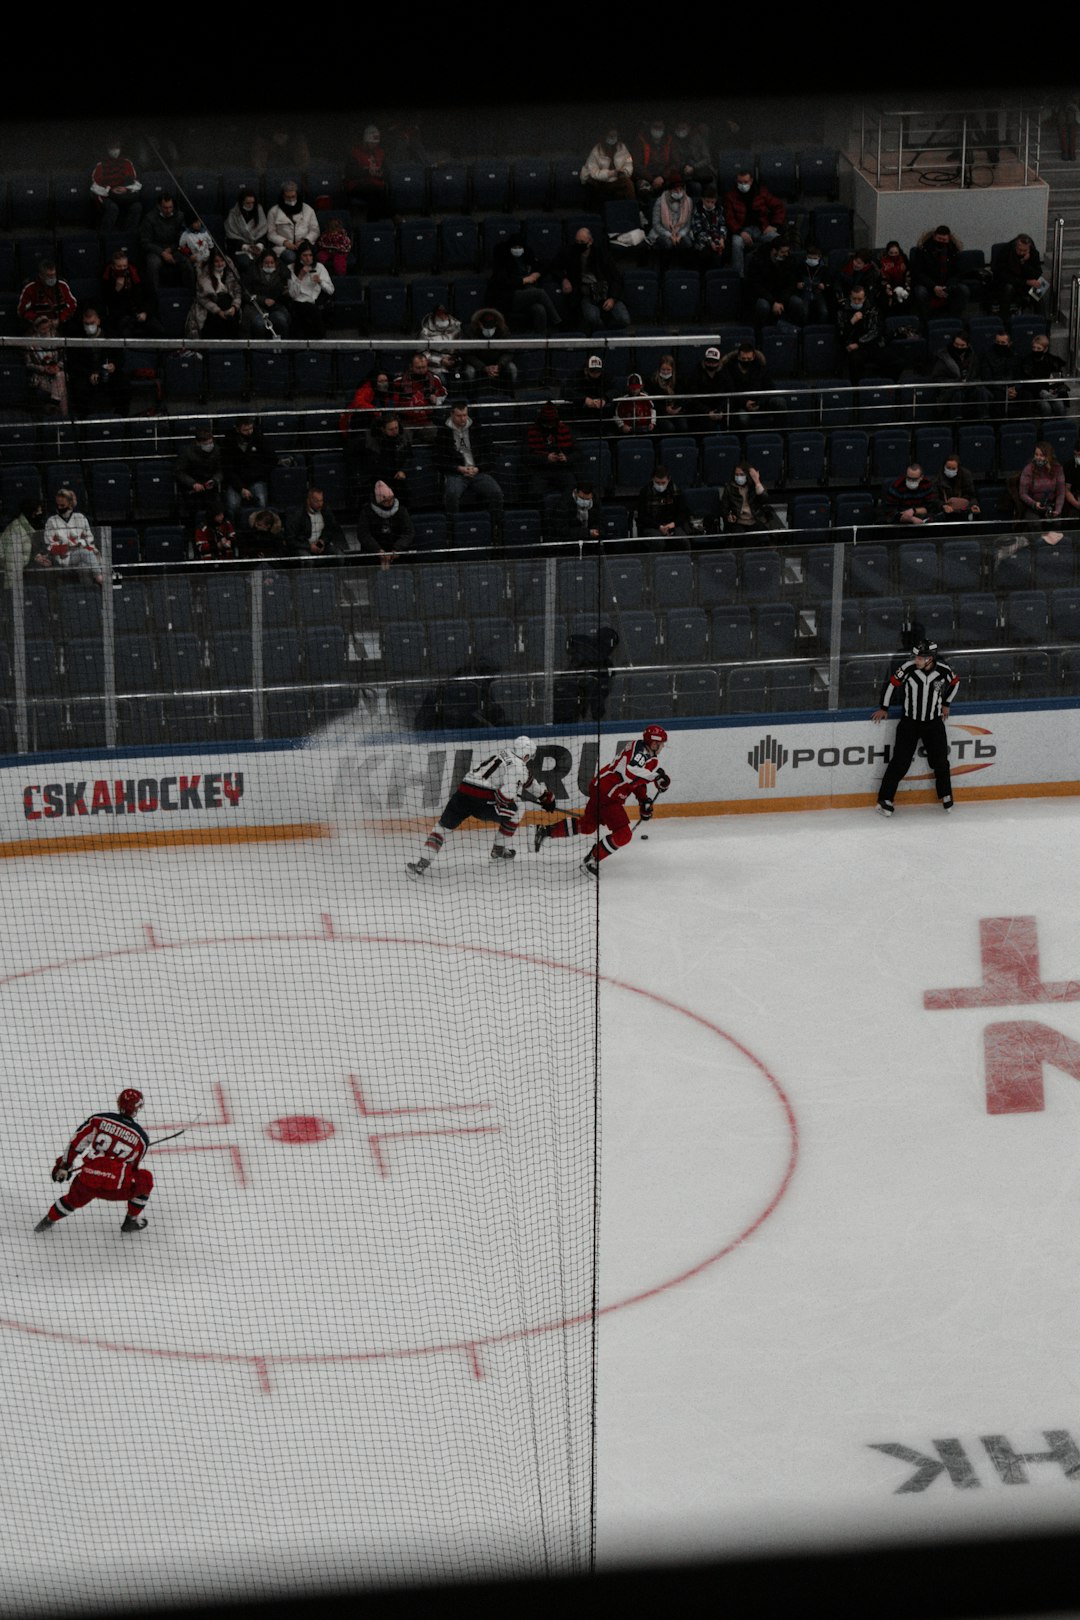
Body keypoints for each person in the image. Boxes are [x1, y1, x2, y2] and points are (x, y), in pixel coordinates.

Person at [534, 724, 670, 878]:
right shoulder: (638, 752)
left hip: (602, 789)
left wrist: (643, 799)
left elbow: (638, 782)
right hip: (608, 794)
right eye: (661, 744)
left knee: (587, 825)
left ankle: (545, 831)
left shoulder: (648, 756)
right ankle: (591, 860)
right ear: (653, 743)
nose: (663, 747)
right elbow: (630, 771)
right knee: (624, 834)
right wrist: (655, 777)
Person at [406, 736, 555, 876]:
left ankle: (422, 863)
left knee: (443, 827)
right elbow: (505, 796)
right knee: (519, 808)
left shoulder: (504, 753)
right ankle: (498, 850)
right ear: (527, 756)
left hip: (463, 790)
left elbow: (528, 782)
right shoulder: (519, 767)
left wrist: (543, 796)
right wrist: (539, 799)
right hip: (482, 800)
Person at [35, 1088, 153, 1235]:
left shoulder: (98, 1120)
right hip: (115, 1188)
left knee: (72, 1200)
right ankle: (131, 1220)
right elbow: (133, 1167)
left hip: (87, 1181)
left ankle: (45, 1224)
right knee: (145, 1179)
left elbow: (76, 1144)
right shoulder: (142, 1138)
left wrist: (64, 1166)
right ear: (138, 1108)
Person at [873, 641, 959, 816]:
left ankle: (946, 795)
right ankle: (884, 799)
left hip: (933, 723)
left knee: (941, 761)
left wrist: (946, 703)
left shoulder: (944, 670)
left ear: (930, 659)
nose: (916, 660)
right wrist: (884, 708)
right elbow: (891, 685)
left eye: (920, 658)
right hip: (909, 723)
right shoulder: (908, 668)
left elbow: (956, 683)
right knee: (900, 761)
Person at [436, 399, 504, 534]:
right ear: (452, 414)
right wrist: (458, 468)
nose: (462, 419)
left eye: (465, 415)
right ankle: (453, 530)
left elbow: (490, 453)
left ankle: (496, 528)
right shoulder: (443, 432)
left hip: (478, 471)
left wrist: (478, 468)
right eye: (459, 416)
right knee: (451, 494)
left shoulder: (478, 429)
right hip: (456, 473)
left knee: (496, 493)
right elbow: (439, 459)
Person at [554, 227, 630, 332]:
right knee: (592, 319)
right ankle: (602, 335)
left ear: (590, 242)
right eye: (577, 242)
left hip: (606, 292)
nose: (579, 244)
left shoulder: (602, 254)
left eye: (582, 242)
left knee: (624, 319)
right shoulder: (570, 252)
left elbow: (616, 278)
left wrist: (613, 298)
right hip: (586, 293)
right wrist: (564, 279)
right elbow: (555, 266)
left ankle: (610, 333)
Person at [485, 234, 561, 335]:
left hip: (526, 294)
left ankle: (541, 340)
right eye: (515, 247)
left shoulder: (527, 257)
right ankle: (558, 322)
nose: (517, 249)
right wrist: (524, 280)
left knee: (539, 309)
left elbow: (544, 265)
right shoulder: (503, 262)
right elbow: (504, 282)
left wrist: (537, 274)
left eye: (519, 247)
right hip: (509, 296)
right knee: (540, 293)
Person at [67, 306, 131, 418]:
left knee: (123, 383)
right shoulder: (77, 339)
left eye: (92, 323)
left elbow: (119, 356)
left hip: (108, 373)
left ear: (98, 321)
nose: (89, 326)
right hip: (87, 374)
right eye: (86, 324)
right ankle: (84, 421)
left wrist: (114, 365)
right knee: (78, 386)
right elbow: (75, 362)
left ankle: (121, 418)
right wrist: (89, 373)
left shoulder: (110, 336)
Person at [723, 168, 786, 275]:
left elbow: (779, 206)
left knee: (778, 240)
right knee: (736, 243)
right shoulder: (730, 196)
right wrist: (740, 232)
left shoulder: (762, 192)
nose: (743, 185)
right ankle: (738, 275)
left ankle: (778, 272)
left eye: (745, 182)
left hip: (761, 228)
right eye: (740, 182)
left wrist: (775, 225)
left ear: (751, 181)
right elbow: (729, 218)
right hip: (741, 230)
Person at [42, 487, 104, 583]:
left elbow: (89, 540)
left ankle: (87, 595)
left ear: (70, 504)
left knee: (84, 568)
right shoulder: (51, 521)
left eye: (62, 506)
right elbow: (50, 546)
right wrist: (70, 546)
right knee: (84, 553)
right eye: (58, 505)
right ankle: (100, 578)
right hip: (63, 559)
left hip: (83, 557)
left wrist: (79, 544)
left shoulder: (80, 518)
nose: (59, 508)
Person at [221, 417, 275, 521]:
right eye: (245, 430)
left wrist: (259, 473)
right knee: (232, 506)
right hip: (236, 482)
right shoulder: (228, 443)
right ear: (237, 429)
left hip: (256, 479)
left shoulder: (258, 438)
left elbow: (270, 458)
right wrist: (240, 488)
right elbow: (228, 469)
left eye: (251, 429)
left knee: (262, 502)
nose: (249, 432)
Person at [910, 225, 968, 319]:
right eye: (939, 239)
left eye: (944, 240)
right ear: (934, 237)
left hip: (948, 285)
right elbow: (918, 273)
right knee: (920, 292)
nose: (941, 242)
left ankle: (955, 319)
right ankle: (927, 320)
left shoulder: (954, 252)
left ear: (949, 239)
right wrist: (933, 286)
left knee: (963, 290)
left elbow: (958, 273)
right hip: (928, 285)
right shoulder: (923, 251)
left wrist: (948, 286)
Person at [746, 237, 805, 328]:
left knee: (798, 303)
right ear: (774, 251)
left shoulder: (790, 260)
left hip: (782, 296)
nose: (786, 254)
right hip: (764, 295)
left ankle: (795, 332)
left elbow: (791, 284)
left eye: (787, 251)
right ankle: (760, 334)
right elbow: (756, 285)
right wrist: (773, 302)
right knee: (763, 306)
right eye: (783, 252)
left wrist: (781, 301)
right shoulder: (758, 260)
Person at [930, 331, 989, 420]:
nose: (959, 347)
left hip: (969, 388)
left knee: (981, 391)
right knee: (957, 393)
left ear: (968, 345)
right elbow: (937, 379)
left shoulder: (973, 356)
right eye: (956, 345)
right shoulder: (943, 357)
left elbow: (977, 375)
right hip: (950, 390)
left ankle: (984, 419)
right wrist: (957, 382)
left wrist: (969, 383)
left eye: (962, 346)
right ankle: (956, 421)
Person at [186, 249, 242, 342]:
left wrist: (234, 307)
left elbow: (238, 292)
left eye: (222, 261)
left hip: (229, 307)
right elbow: (202, 298)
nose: (220, 264)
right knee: (217, 320)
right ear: (212, 262)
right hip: (210, 309)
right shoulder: (204, 274)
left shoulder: (231, 273)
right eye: (216, 261)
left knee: (231, 316)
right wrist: (218, 311)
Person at [139, 193, 189, 297]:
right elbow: (145, 242)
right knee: (153, 264)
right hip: (156, 250)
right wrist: (162, 252)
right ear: (159, 206)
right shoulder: (149, 218)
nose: (168, 210)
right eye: (165, 207)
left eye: (170, 207)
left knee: (187, 263)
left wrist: (171, 249)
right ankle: (155, 297)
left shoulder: (180, 216)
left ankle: (189, 294)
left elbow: (183, 237)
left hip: (175, 248)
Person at [390, 352, 447, 443]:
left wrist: (436, 399)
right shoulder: (399, 381)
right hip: (405, 422)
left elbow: (443, 394)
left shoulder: (434, 379)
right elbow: (391, 401)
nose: (421, 370)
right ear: (411, 367)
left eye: (424, 367)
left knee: (438, 436)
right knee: (401, 438)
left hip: (426, 422)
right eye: (418, 368)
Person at [356, 479, 415, 567]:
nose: (389, 502)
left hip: (397, 552)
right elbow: (363, 534)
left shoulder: (401, 511)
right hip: (374, 553)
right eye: (386, 501)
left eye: (391, 499)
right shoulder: (367, 511)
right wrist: (377, 550)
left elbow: (409, 532)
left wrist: (398, 548)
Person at [717, 342, 775, 430]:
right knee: (742, 418)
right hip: (739, 406)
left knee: (779, 402)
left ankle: (781, 436)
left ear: (754, 357)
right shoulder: (729, 369)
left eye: (749, 359)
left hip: (760, 404)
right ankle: (743, 442)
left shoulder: (760, 368)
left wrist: (759, 402)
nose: (746, 361)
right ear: (738, 357)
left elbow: (770, 389)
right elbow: (730, 391)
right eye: (743, 359)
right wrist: (745, 403)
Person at [526, 401, 578, 498]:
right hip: (540, 470)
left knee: (572, 487)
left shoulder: (565, 429)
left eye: (552, 423)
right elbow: (526, 456)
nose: (550, 426)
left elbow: (578, 453)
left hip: (562, 469)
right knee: (534, 491)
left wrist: (566, 458)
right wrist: (546, 458)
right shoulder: (531, 431)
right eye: (547, 424)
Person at [90, 137, 142, 232]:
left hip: (124, 193)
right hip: (106, 195)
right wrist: (110, 190)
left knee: (136, 207)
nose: (115, 151)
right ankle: (106, 235)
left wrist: (126, 189)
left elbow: (136, 182)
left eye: (117, 147)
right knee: (112, 208)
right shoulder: (100, 164)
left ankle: (128, 234)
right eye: (112, 148)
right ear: (107, 149)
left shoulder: (127, 163)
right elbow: (94, 186)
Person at [175, 426, 224, 529]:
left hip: (210, 487)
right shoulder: (187, 453)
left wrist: (214, 480)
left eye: (211, 443)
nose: (210, 446)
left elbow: (220, 470)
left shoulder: (216, 450)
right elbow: (180, 472)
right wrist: (193, 483)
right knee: (192, 511)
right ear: (198, 443)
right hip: (192, 489)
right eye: (206, 444)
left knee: (216, 508)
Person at [362, 413, 415, 506]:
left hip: (398, 480)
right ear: (383, 429)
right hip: (379, 480)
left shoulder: (404, 438)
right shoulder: (372, 442)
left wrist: (404, 471)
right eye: (391, 429)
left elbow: (409, 457)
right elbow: (369, 463)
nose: (395, 431)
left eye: (396, 428)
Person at [993, 233, 1049, 317]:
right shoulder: (1006, 252)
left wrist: (1024, 263)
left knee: (1041, 285)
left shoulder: (1034, 253)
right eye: (1019, 250)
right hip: (1010, 282)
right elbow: (1002, 275)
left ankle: (1041, 319)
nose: (1021, 252)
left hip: (1025, 281)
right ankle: (1005, 320)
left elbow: (1037, 273)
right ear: (1016, 246)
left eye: (1024, 250)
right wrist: (1026, 282)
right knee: (1008, 288)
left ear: (1029, 248)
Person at [836, 283, 883, 382]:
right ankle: (856, 390)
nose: (856, 302)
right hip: (851, 346)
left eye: (859, 299)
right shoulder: (843, 309)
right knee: (855, 359)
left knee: (895, 360)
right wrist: (851, 322)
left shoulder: (871, 309)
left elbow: (874, 331)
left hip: (868, 344)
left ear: (864, 298)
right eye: (854, 299)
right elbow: (841, 333)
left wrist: (859, 343)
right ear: (850, 297)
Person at [637, 464, 691, 548]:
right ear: (652, 479)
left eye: (663, 483)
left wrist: (673, 524)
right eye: (657, 483)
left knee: (684, 542)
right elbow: (642, 516)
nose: (660, 486)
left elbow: (684, 512)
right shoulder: (645, 492)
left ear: (668, 480)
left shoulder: (675, 491)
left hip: (672, 524)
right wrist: (658, 527)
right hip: (652, 526)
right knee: (658, 543)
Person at [286, 245, 334, 340]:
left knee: (312, 311)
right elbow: (293, 294)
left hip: (314, 301)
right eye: (305, 255)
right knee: (308, 312)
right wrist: (300, 276)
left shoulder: (319, 267)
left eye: (310, 255)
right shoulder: (291, 268)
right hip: (298, 302)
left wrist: (320, 281)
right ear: (300, 256)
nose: (308, 258)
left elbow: (331, 290)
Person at [241, 249, 292, 338]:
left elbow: (286, 293)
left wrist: (274, 300)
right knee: (258, 324)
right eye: (266, 262)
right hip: (255, 307)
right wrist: (263, 300)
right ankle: (258, 350)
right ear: (261, 263)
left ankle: (282, 349)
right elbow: (245, 293)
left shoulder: (283, 273)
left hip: (276, 306)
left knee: (281, 320)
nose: (269, 265)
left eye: (272, 262)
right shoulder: (251, 272)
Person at [266, 182, 320, 267]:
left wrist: (304, 240)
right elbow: (271, 233)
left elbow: (315, 231)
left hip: (305, 245)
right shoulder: (273, 211)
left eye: (293, 197)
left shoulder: (308, 209)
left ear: (297, 195)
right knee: (291, 257)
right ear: (283, 196)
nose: (291, 200)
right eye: (288, 197)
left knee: (308, 257)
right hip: (284, 247)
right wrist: (285, 242)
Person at [24, 315, 69, 416]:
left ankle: (54, 403)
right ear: (36, 328)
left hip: (56, 374)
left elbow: (64, 357)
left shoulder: (56, 337)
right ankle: (64, 419)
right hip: (41, 378)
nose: (46, 330)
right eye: (43, 328)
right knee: (62, 388)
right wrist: (44, 369)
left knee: (60, 376)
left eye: (48, 328)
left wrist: (58, 367)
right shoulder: (30, 342)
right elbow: (28, 364)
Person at [719, 464, 778, 537]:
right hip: (738, 522)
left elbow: (765, 498)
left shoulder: (754, 487)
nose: (739, 477)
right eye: (736, 474)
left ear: (747, 475)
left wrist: (757, 482)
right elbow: (723, 508)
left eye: (741, 474)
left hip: (755, 520)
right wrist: (728, 516)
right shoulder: (729, 488)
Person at [466, 308, 518, 392]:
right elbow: (468, 354)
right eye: (486, 326)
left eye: (491, 326)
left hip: (498, 363)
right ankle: (472, 398)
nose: (489, 330)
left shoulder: (504, 331)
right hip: (478, 363)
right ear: (479, 323)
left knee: (512, 369)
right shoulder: (471, 332)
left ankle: (510, 396)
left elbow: (509, 351)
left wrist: (499, 365)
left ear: (496, 323)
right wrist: (483, 367)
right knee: (469, 371)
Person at [580, 127, 636, 204]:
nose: (613, 138)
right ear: (605, 136)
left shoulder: (622, 147)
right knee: (627, 184)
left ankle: (630, 210)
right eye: (610, 136)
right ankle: (634, 210)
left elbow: (629, 164)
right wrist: (610, 173)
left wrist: (624, 172)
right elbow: (593, 173)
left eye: (614, 135)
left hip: (616, 180)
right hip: (600, 182)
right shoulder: (596, 150)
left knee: (626, 185)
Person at [285, 488, 348, 557]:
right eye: (316, 501)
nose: (320, 504)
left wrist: (322, 542)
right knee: (307, 560)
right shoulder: (297, 515)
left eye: (321, 501)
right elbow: (290, 539)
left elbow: (330, 530)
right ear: (308, 501)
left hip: (320, 544)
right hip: (303, 546)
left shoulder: (326, 511)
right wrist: (309, 547)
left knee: (339, 555)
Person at [1019, 333, 1069, 418]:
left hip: (1051, 392)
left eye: (1039, 348)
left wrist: (1054, 390)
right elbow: (1027, 381)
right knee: (1046, 407)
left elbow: (1057, 379)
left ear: (1045, 349)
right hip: (1036, 393)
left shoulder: (1053, 361)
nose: (1035, 350)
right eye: (1034, 347)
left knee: (1059, 405)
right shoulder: (1026, 362)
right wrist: (1041, 391)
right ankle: (1046, 428)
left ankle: (1060, 428)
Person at [17, 260, 77, 330]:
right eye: (49, 276)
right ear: (41, 275)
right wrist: (37, 319)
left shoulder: (62, 285)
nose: (52, 279)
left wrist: (60, 319)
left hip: (59, 325)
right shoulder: (30, 288)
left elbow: (72, 305)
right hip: (38, 326)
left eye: (53, 275)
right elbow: (22, 310)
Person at [345, 125, 389, 220]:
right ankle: (373, 223)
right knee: (376, 194)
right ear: (366, 141)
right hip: (358, 185)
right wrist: (367, 171)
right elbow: (350, 173)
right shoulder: (355, 153)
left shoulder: (380, 152)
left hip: (377, 184)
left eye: (376, 143)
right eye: (372, 143)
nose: (375, 145)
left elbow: (387, 171)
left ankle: (382, 223)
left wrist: (381, 174)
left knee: (385, 192)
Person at [0, 497, 45, 587]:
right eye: (39, 512)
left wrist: (36, 557)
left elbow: (24, 552)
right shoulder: (16, 530)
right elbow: (11, 563)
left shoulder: (27, 529)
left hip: (22, 573)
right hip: (13, 581)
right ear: (32, 514)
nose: (41, 515)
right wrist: (12, 590)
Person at [1017, 442, 1066, 523]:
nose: (1038, 457)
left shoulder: (1057, 468)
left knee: (1057, 523)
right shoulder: (1028, 469)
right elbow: (1023, 493)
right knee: (1035, 524)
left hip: (1051, 505)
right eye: (1036, 454)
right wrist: (1034, 504)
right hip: (1033, 505)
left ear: (1049, 456)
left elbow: (1061, 493)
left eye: (1042, 455)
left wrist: (1058, 510)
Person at [648, 175, 695, 255]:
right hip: (663, 231)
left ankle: (686, 266)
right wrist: (670, 235)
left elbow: (688, 224)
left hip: (681, 231)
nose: (678, 192)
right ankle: (664, 266)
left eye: (680, 189)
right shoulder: (660, 201)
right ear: (670, 190)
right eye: (675, 189)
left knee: (687, 242)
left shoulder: (688, 201)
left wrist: (680, 235)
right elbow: (656, 224)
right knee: (667, 243)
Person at [224, 188, 269, 267]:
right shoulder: (233, 213)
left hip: (257, 245)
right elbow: (231, 235)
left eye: (253, 203)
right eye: (248, 203)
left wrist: (259, 245)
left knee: (268, 260)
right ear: (242, 202)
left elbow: (263, 231)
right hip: (239, 248)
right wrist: (245, 246)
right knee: (245, 263)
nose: (251, 205)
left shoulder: (259, 210)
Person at [689, 184, 729, 269]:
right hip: (703, 241)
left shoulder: (719, 209)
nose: (710, 204)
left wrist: (721, 238)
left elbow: (722, 225)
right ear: (702, 199)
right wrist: (710, 241)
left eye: (712, 202)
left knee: (725, 251)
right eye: (707, 201)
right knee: (707, 254)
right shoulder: (698, 210)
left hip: (717, 238)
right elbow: (698, 231)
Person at [931, 455, 981, 521]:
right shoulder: (937, 480)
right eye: (948, 468)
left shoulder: (966, 477)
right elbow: (934, 499)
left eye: (953, 469)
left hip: (962, 511)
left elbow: (971, 496)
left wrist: (974, 505)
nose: (950, 470)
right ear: (944, 467)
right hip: (944, 512)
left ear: (958, 469)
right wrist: (943, 506)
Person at [649, 353, 685, 432]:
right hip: (661, 413)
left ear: (673, 369)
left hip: (676, 411)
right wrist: (665, 409)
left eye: (668, 370)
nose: (665, 372)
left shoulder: (678, 380)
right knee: (669, 427)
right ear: (659, 369)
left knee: (683, 426)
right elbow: (652, 402)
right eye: (663, 369)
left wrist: (677, 408)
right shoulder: (653, 381)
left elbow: (682, 398)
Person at [878, 240, 912, 315]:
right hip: (887, 286)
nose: (894, 255)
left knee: (907, 298)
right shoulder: (882, 261)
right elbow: (881, 278)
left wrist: (907, 287)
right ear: (887, 252)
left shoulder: (904, 259)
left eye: (896, 253)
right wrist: (887, 288)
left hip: (902, 285)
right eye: (891, 253)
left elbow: (908, 274)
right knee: (885, 300)